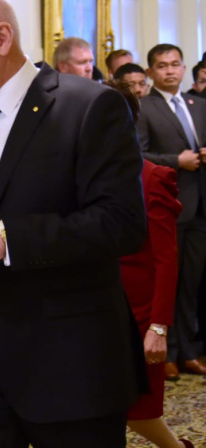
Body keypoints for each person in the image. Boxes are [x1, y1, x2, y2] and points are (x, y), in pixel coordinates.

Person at [0, 0, 147, 446]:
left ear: (2, 37)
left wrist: (7, 239)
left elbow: (121, 222)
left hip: (70, 366)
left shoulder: (90, 106)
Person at [105, 79, 194, 448]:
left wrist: (158, 326)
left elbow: (165, 259)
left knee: (139, 408)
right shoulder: (82, 175)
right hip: (93, 309)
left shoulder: (152, 178)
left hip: (138, 313)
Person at [136, 43, 206, 381]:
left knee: (192, 282)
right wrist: (176, 161)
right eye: (162, 66)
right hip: (167, 206)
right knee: (169, 282)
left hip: (200, 204)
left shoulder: (198, 104)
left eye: (175, 64)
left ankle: (189, 350)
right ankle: (169, 352)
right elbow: (139, 155)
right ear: (151, 72)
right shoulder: (144, 107)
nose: (170, 71)